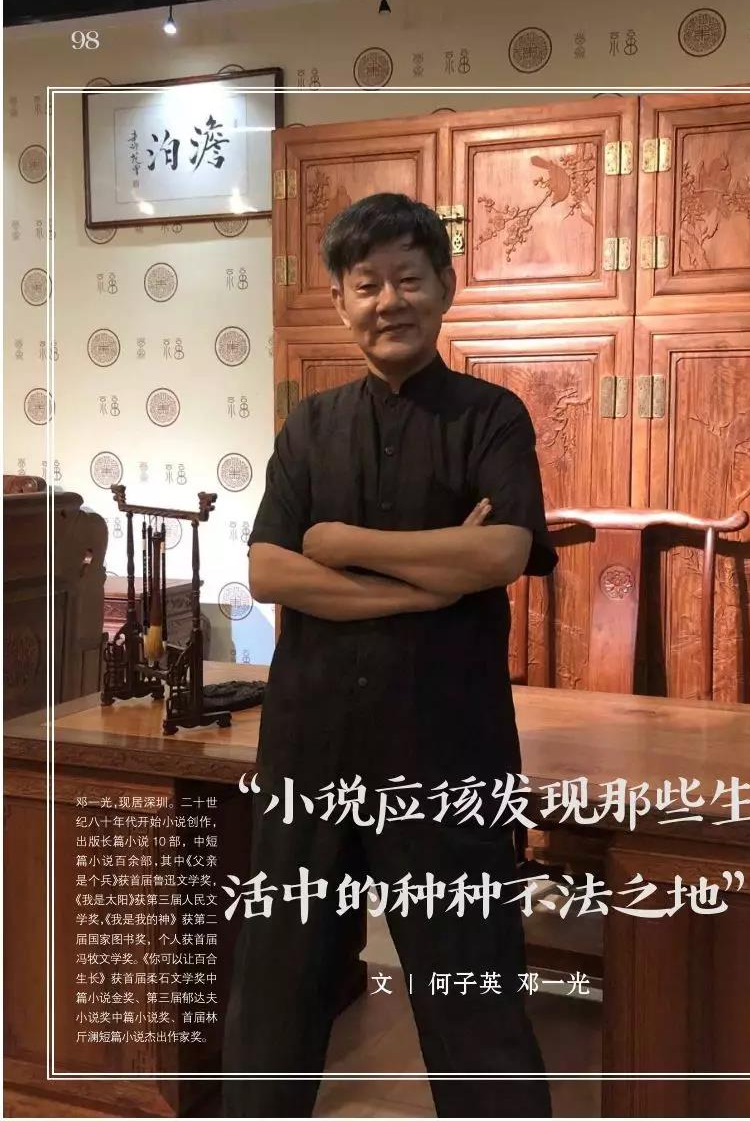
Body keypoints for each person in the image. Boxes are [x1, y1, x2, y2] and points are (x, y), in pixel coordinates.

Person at [222, 192, 558, 1118]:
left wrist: (341, 543)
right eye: (365, 284)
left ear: (445, 286)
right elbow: (268, 570)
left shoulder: (493, 418)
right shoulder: (310, 425)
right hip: (310, 754)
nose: (388, 302)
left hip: (447, 753)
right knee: (275, 991)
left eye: (408, 279)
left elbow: (503, 551)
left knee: (473, 997)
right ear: (340, 301)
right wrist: (425, 587)